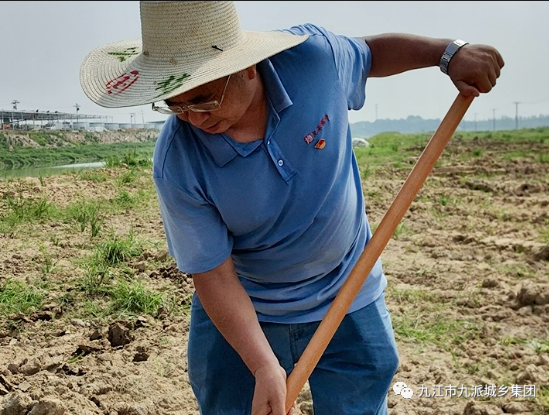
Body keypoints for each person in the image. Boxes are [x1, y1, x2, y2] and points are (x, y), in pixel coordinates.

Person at [80, 2, 504, 414]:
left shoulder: (314, 60)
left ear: (245, 66)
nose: (192, 117)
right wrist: (263, 365)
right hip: (246, 309)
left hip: (348, 290)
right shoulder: (178, 160)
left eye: (204, 99)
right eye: (175, 103)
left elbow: (370, 53)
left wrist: (447, 54)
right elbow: (214, 276)